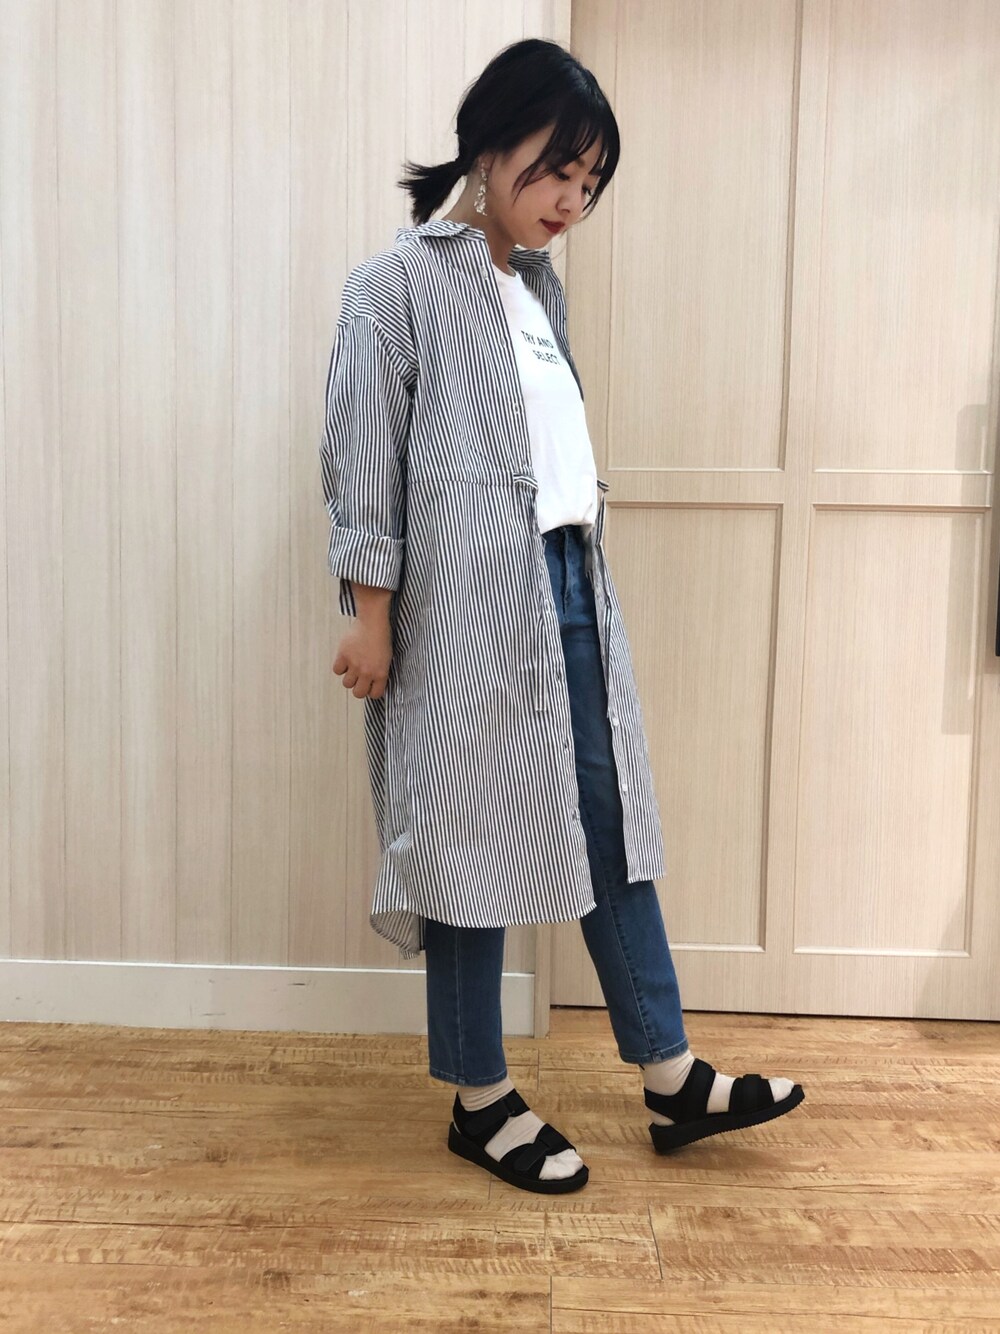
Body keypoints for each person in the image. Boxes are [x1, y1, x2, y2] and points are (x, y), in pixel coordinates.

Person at [320, 38, 804, 1196]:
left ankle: (670, 1073)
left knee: (609, 819)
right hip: (460, 604)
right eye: (556, 169)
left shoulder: (538, 288)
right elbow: (359, 459)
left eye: (589, 183)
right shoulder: (393, 287)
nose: (571, 201)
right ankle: (478, 1095)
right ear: (491, 144)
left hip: (571, 585)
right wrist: (371, 614)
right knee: (468, 839)